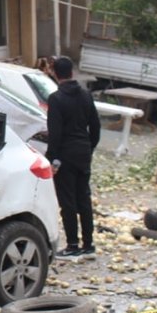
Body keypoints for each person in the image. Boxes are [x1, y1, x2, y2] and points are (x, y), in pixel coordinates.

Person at [46, 56, 101, 257]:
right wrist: (89, 147)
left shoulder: (56, 99)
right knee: (83, 198)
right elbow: (95, 126)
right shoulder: (86, 96)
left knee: (67, 200)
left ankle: (72, 244)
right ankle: (88, 243)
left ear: (54, 73)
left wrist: (53, 159)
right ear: (72, 72)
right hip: (83, 152)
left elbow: (55, 133)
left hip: (66, 154)